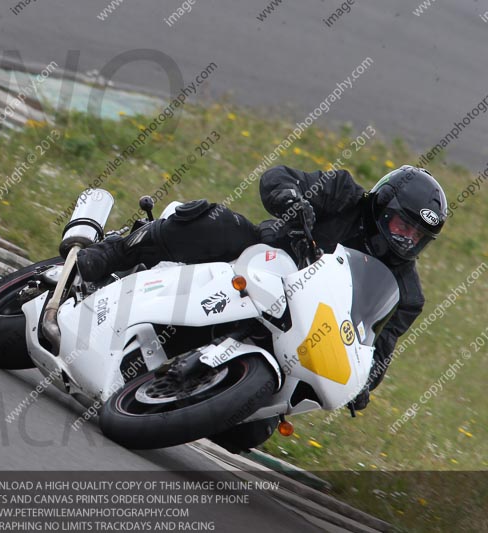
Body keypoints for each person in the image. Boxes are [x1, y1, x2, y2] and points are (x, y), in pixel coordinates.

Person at [77, 164, 447, 450]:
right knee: (212, 223)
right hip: (264, 266)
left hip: (299, 336)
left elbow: (379, 349)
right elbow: (279, 177)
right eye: (403, 225)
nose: (406, 238)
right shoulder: (344, 194)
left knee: (251, 432)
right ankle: (114, 252)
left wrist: (364, 384)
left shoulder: (407, 295)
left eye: (417, 235)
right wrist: (292, 199)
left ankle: (185, 395)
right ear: (382, 205)